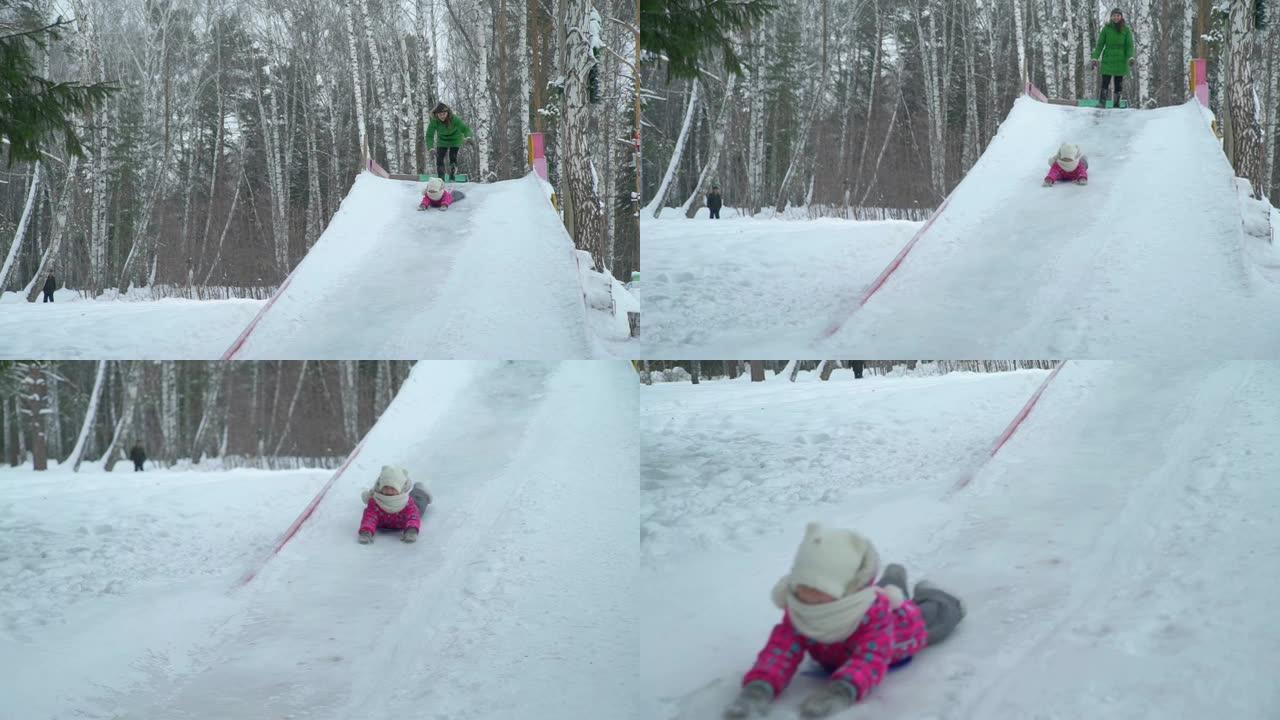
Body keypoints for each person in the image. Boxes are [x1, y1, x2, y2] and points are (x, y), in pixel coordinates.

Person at [724, 523, 965, 719]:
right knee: (885, 591)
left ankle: (934, 594)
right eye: (803, 585)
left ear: (847, 590)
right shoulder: (801, 607)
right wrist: (759, 687)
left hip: (900, 630)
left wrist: (844, 688)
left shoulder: (873, 613)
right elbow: (782, 649)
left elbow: (870, 657)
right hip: (868, 601)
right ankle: (893, 577)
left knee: (935, 617)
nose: (808, 596)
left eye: (819, 588)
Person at [358, 465, 432, 544]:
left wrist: (411, 529)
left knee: (418, 505)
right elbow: (370, 517)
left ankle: (420, 491)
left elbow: (413, 516)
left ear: (400, 488)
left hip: (403, 520)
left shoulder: (407, 502)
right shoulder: (375, 502)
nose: (389, 491)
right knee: (372, 506)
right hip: (385, 523)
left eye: (393, 488)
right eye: (386, 487)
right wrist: (366, 531)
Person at [1091, 8, 1136, 109]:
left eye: (1118, 15)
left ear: (1121, 17)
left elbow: (1129, 46)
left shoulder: (1126, 30)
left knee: (1118, 83)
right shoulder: (1106, 29)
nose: (1116, 17)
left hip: (1121, 59)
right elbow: (1100, 45)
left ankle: (1117, 104)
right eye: (1114, 15)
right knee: (1105, 82)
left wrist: (1130, 57)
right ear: (1111, 17)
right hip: (1108, 58)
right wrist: (1095, 58)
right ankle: (1102, 103)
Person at [424, 102, 473, 181]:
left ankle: (452, 176)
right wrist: (430, 148)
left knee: (452, 157)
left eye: (444, 114)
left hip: (455, 139)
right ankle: (441, 179)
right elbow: (429, 135)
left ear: (447, 112)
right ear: (436, 114)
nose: (442, 116)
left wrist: (468, 136)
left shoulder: (454, 119)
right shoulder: (434, 121)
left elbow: (465, 128)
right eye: (440, 115)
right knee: (439, 158)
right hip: (442, 141)